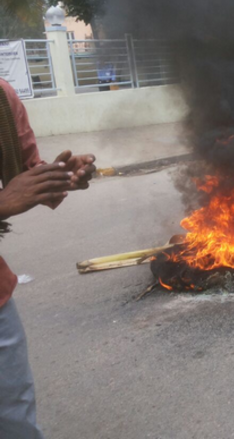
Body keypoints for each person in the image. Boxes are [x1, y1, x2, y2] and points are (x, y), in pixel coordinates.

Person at [0, 78, 96, 438]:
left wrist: (62, 176)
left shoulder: (1, 97)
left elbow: (26, 175)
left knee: (14, 420)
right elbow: (8, 196)